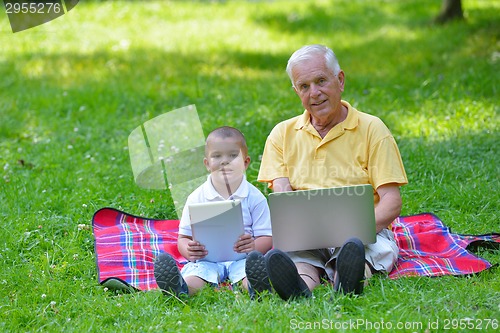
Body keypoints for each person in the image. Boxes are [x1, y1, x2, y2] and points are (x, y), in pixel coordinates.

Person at [246, 44, 408, 300]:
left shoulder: (372, 129)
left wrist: (356, 231)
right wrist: (299, 232)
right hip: (309, 233)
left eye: (321, 81)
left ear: (340, 80)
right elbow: (282, 193)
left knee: (358, 252)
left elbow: (391, 201)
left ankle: (347, 280)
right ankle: (300, 289)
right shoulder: (282, 134)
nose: (314, 93)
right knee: (298, 259)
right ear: (296, 91)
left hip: (363, 232)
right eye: (304, 86)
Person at [154, 126, 273, 298]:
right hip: (206, 259)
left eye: (233, 155)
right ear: (207, 164)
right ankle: (179, 289)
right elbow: (183, 238)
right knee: (196, 276)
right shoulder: (196, 197)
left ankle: (258, 287)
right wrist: (188, 250)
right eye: (217, 156)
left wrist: (254, 246)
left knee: (249, 273)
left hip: (243, 258)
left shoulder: (255, 197)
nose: (225, 161)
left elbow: (267, 237)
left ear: (245, 163)